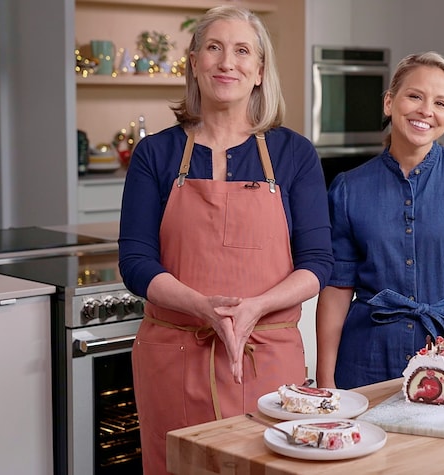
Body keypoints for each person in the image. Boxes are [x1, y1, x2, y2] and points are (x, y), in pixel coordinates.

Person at [117, 5, 333, 473]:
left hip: (266, 358)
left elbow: (318, 263)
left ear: (259, 71)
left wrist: (253, 308)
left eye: (241, 51)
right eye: (213, 48)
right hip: (173, 357)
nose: (226, 62)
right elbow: (135, 261)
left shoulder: (294, 154)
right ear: (193, 62)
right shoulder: (155, 154)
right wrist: (202, 307)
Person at [315, 52, 444, 389]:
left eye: (440, 103)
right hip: (365, 361)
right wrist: (325, 377)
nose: (426, 110)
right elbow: (337, 287)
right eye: (415, 96)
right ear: (390, 102)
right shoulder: (348, 188)